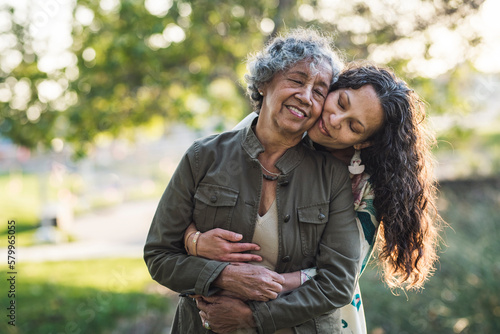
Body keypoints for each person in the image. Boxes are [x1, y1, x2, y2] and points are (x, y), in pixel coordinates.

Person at [185, 62, 442, 333]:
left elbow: (339, 276)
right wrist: (197, 242)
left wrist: (252, 294)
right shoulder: (263, 126)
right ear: (333, 88)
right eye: (341, 103)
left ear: (364, 142)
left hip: (310, 316)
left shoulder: (363, 187)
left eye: (353, 126)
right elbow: (191, 205)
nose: (334, 120)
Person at [144, 28, 363, 334]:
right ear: (264, 82)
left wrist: (255, 319)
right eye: (297, 80)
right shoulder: (203, 157)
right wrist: (223, 275)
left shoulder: (332, 176)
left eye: (319, 90)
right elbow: (159, 255)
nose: (305, 96)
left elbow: (338, 283)